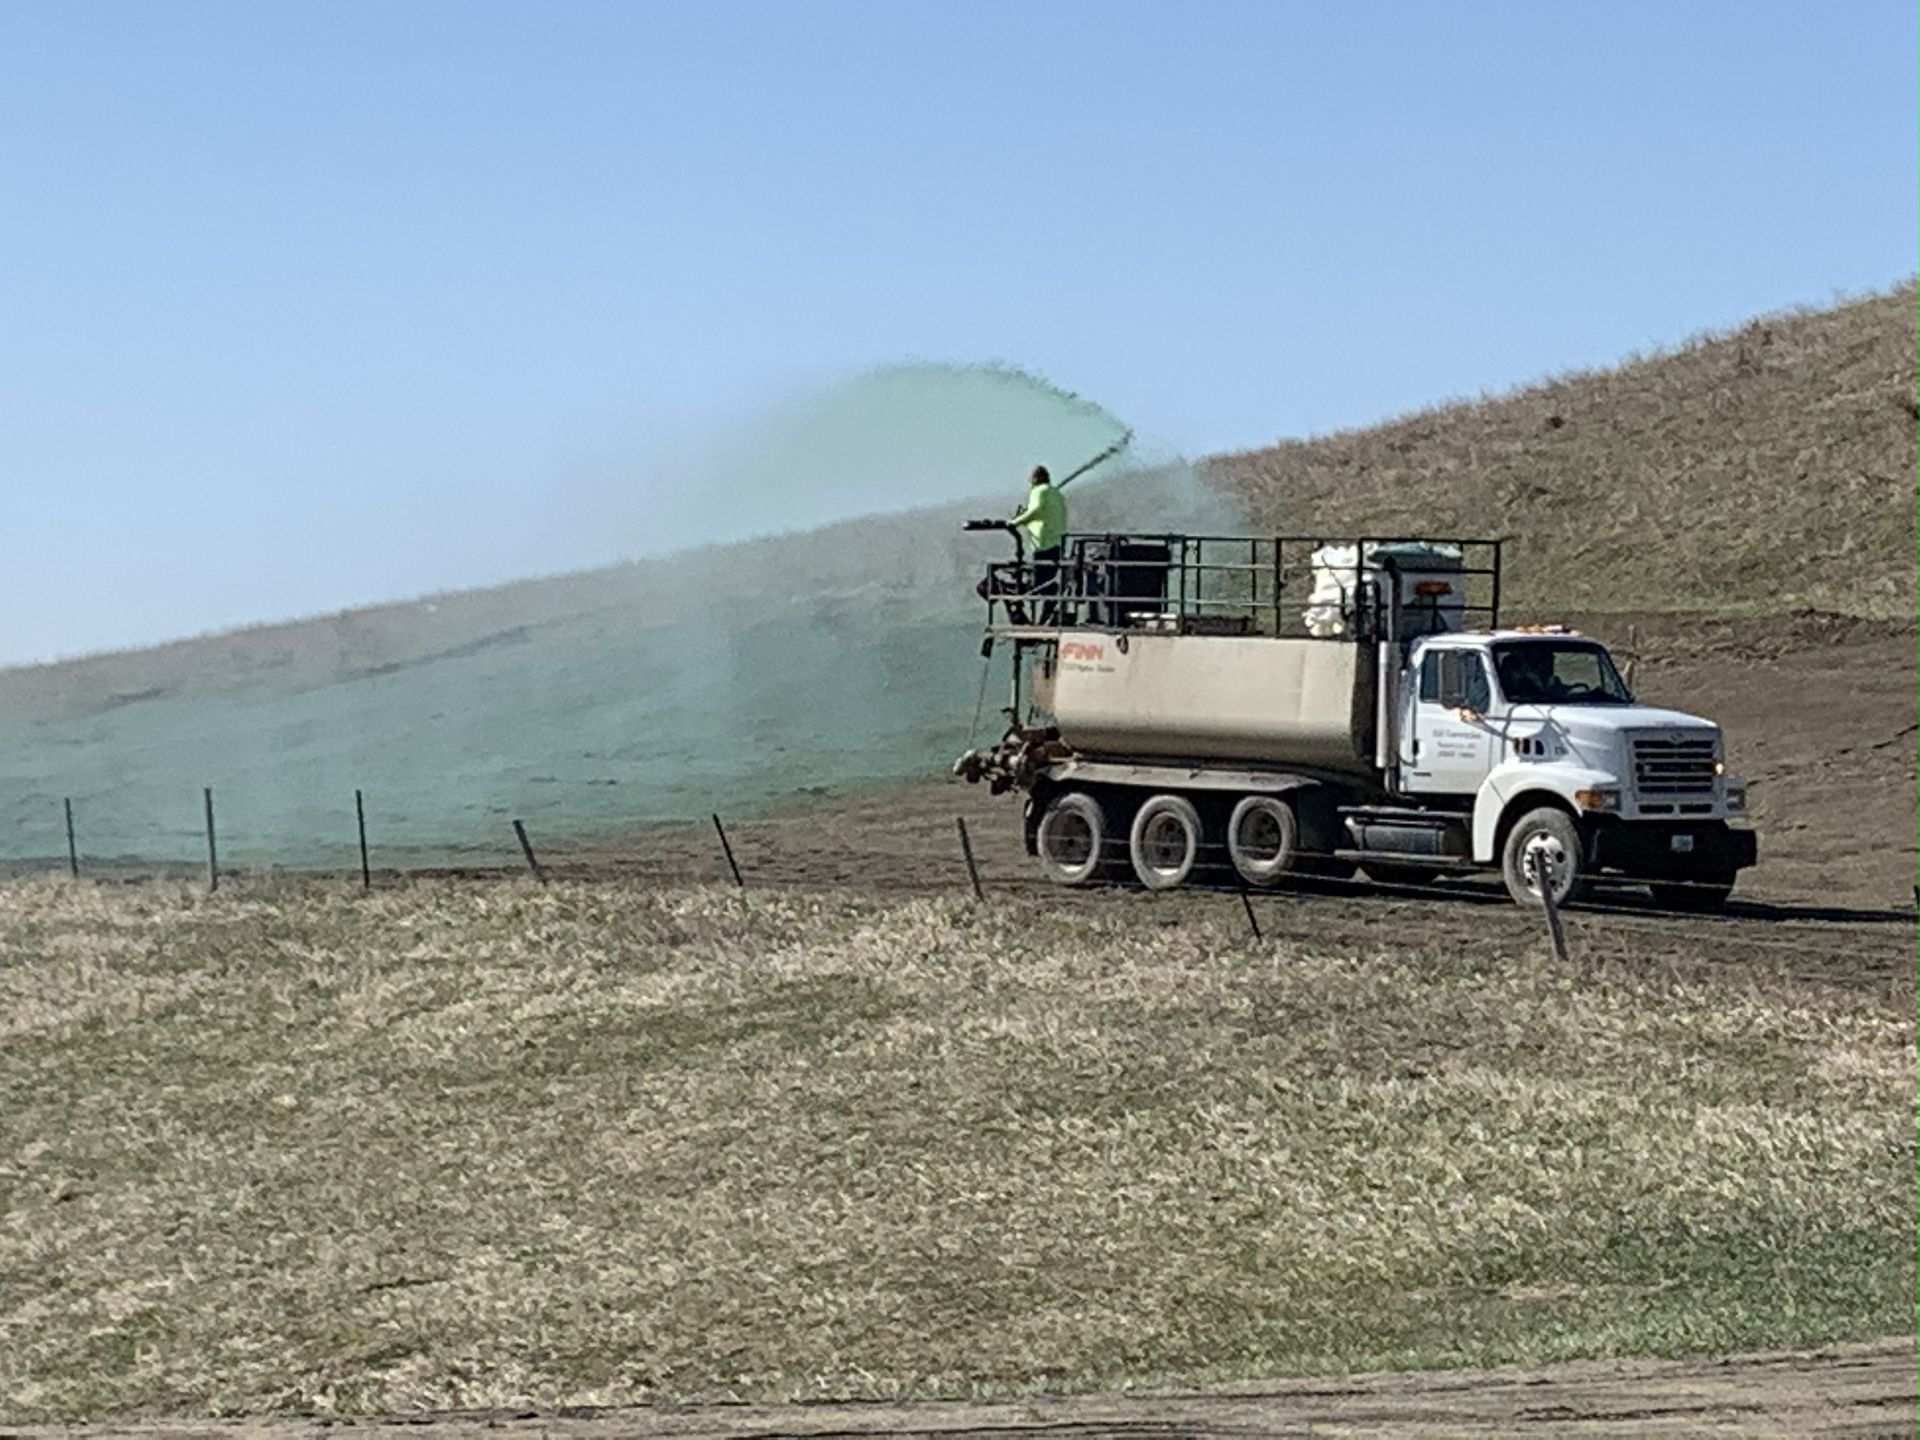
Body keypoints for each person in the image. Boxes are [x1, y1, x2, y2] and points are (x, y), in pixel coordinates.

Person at [1007, 464, 1067, 623]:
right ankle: (1046, 616)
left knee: (1038, 584)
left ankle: (1014, 595)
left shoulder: (1038, 492)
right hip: (1057, 542)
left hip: (1043, 543)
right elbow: (1044, 515)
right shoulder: (1056, 493)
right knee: (1049, 580)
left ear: (1034, 479)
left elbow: (1036, 512)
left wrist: (1014, 522)